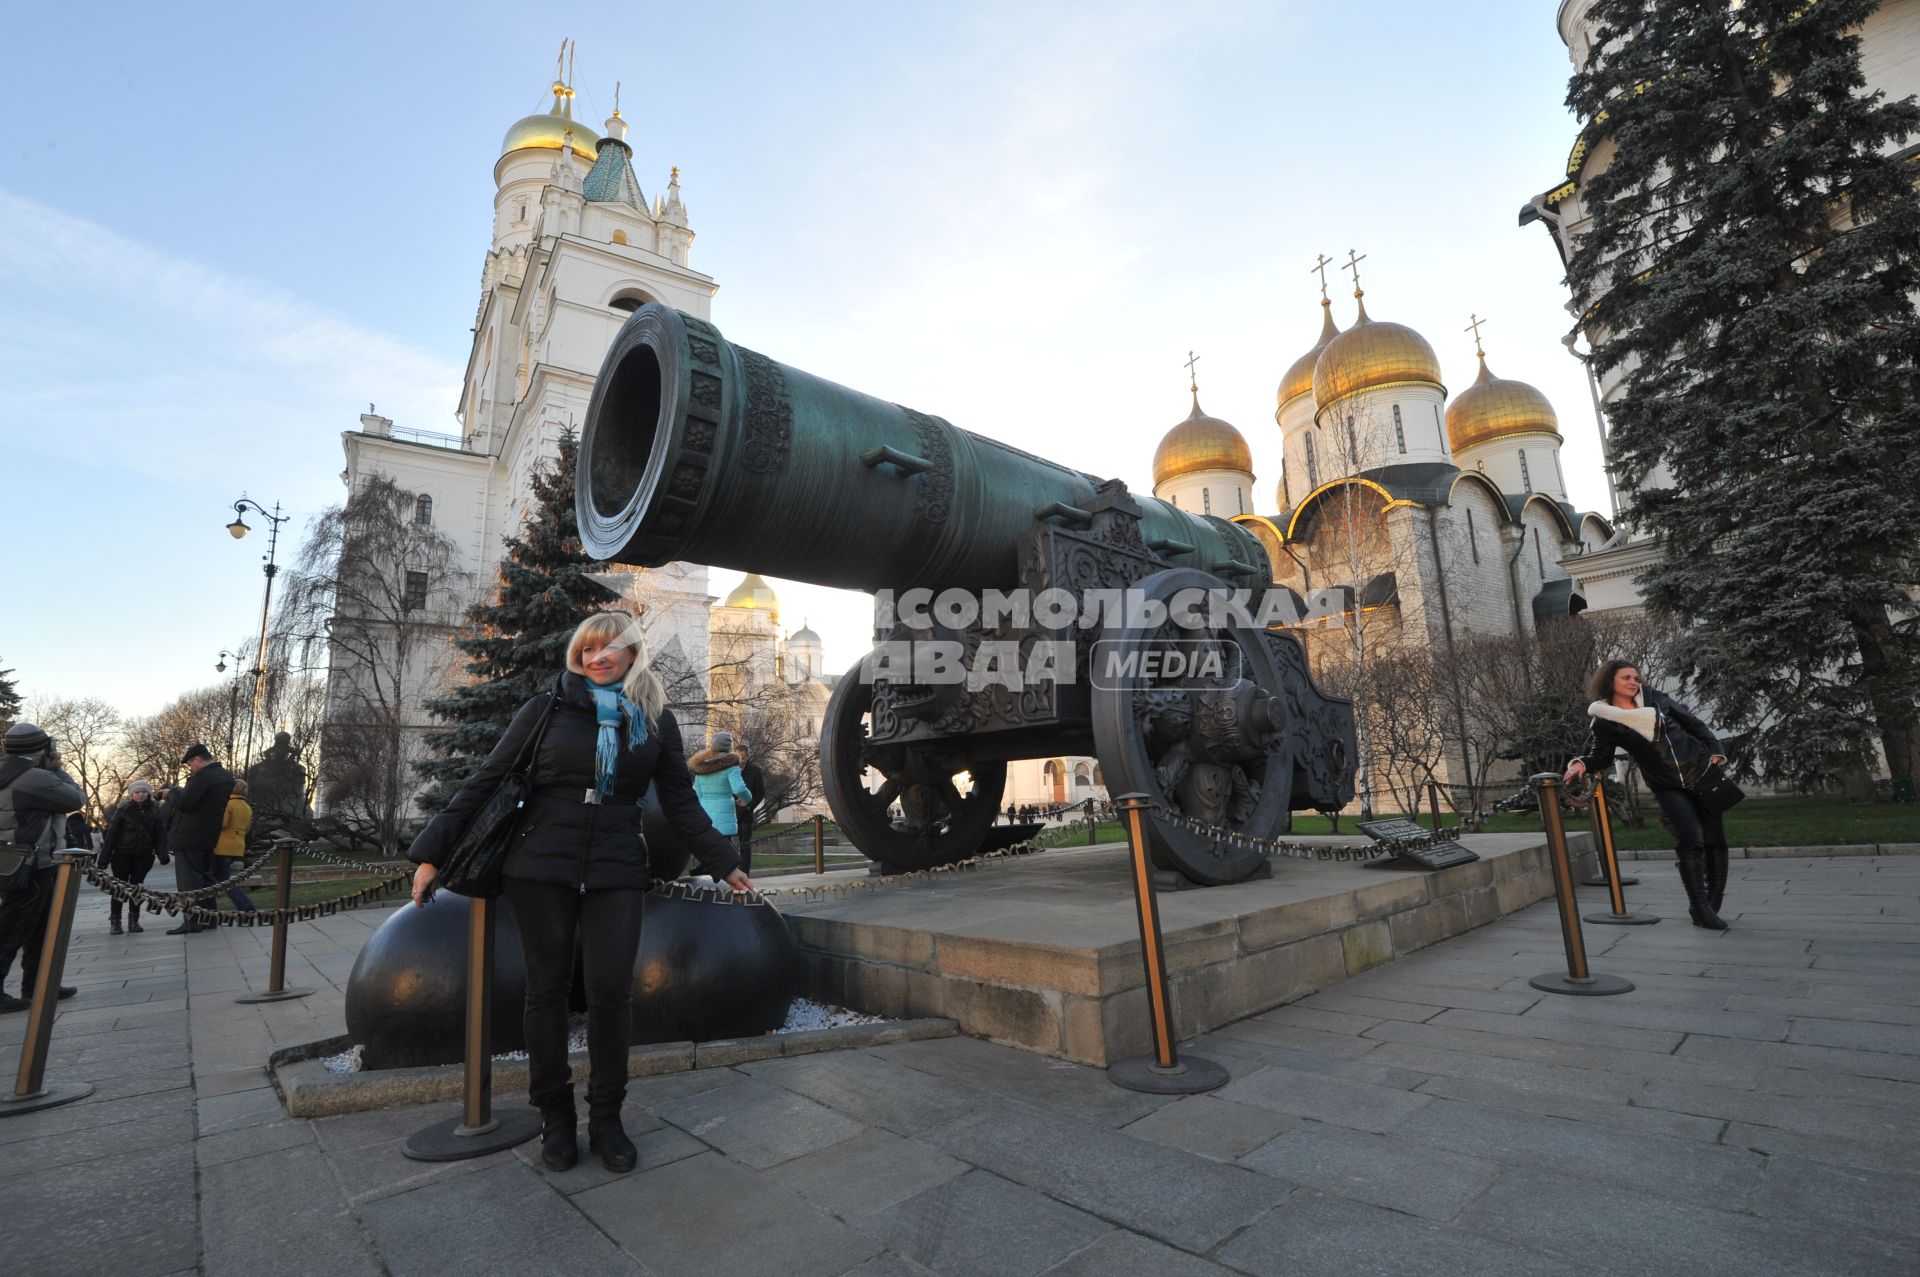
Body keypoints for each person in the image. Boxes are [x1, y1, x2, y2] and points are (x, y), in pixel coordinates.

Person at [407, 613, 750, 1175]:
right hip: (540, 864)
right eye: (587, 649)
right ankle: (556, 1118)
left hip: (616, 863)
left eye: (609, 647)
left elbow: (681, 803)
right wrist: (431, 854)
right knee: (546, 991)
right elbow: (486, 779)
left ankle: (608, 1119)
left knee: (611, 993)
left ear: (632, 652)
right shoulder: (545, 710)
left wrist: (725, 863)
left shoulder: (654, 719)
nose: (597, 657)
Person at [1565, 661, 1733, 930]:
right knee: (1692, 837)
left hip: (1701, 773)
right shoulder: (1606, 719)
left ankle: (1712, 904)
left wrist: (1715, 749)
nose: (1634, 682)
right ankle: (1699, 906)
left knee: (1716, 840)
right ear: (1610, 682)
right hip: (1666, 784)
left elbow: (1694, 724)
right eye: (1626, 678)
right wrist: (1581, 764)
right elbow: (1601, 756)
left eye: (1635, 677)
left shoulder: (1656, 699)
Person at [0, 723, 84, 1012]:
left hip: (15, 859)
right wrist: (56, 768)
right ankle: (32, 984)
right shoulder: (32, 777)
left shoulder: (7, 770)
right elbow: (76, 798)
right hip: (34, 862)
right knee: (16, 928)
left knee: (38, 926)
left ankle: (39, 984)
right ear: (41, 748)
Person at [159, 743, 235, 936]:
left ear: (197, 760)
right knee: (206, 877)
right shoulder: (224, 776)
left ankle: (191, 921)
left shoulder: (202, 776)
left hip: (189, 835)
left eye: (190, 764)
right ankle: (209, 917)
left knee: (188, 880)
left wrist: (171, 793)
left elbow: (186, 803)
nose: (190, 768)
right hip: (208, 834)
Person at [101, 779, 170, 934]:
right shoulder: (122, 810)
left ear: (149, 793)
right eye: (137, 792)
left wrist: (162, 853)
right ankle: (116, 921)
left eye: (144, 792)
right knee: (119, 888)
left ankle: (134, 920)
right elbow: (112, 834)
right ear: (131, 794)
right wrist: (104, 857)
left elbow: (160, 834)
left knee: (137, 887)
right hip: (122, 854)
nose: (140, 795)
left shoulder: (155, 810)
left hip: (144, 855)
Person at [689, 731, 753, 851]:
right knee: (726, 856)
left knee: (709, 856)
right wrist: (747, 798)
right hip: (724, 819)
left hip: (705, 818)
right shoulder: (731, 765)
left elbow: (697, 794)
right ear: (730, 747)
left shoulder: (701, 766)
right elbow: (739, 788)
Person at [210, 778, 257, 913]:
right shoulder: (247, 807)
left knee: (224, 880)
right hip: (237, 846)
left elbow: (222, 824)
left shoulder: (228, 804)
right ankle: (244, 906)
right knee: (225, 878)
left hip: (223, 846)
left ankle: (246, 906)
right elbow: (247, 827)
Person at [733, 742, 767, 874]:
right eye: (737, 758)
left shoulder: (755, 771)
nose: (740, 761)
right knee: (726, 845)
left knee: (745, 846)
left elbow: (760, 792)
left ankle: (744, 873)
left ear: (748, 757)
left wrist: (749, 806)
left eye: (743, 758)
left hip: (745, 815)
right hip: (730, 813)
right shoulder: (730, 770)